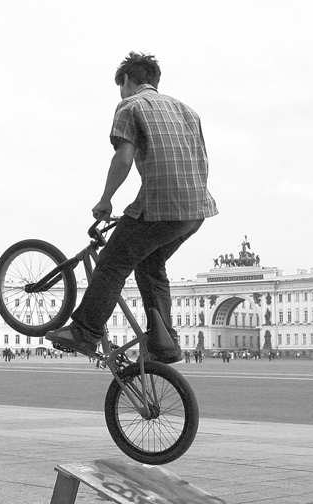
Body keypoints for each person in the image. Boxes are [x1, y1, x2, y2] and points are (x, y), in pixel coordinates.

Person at [46, 52, 216, 363]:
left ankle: (84, 331)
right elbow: (202, 159)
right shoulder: (188, 111)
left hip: (162, 206)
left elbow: (123, 158)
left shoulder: (130, 105)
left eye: (120, 85)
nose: (121, 92)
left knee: (112, 263)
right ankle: (165, 342)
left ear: (127, 81)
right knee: (150, 266)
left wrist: (106, 198)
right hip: (196, 210)